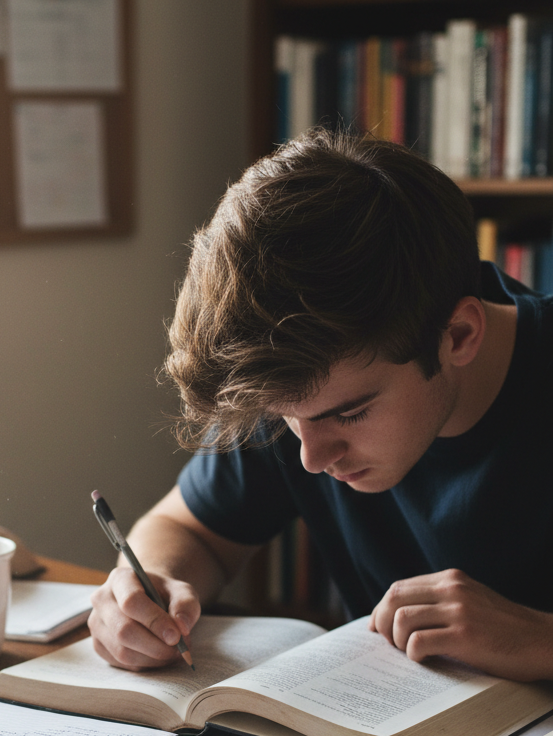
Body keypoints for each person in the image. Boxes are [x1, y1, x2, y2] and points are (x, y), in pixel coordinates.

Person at [88, 128, 553, 684]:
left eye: (350, 414)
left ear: (456, 335)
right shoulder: (302, 388)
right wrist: (145, 588)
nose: (310, 457)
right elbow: (189, 530)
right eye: (285, 418)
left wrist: (537, 639)